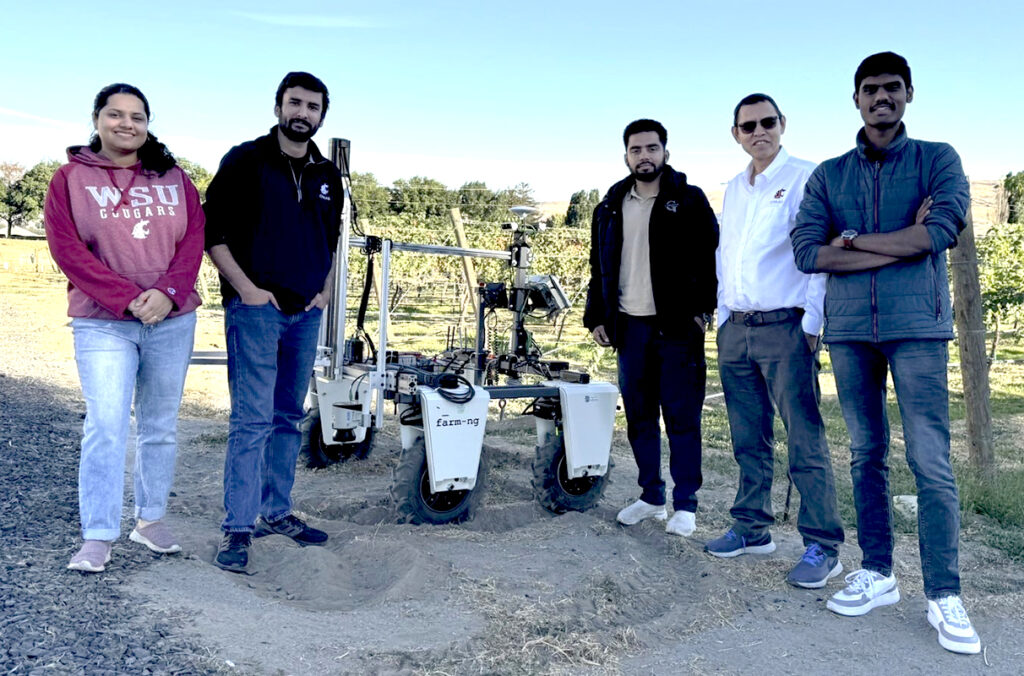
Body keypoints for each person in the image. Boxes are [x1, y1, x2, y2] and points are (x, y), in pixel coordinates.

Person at [791, 52, 980, 654]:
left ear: (908, 95)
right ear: (855, 99)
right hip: (849, 333)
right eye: (870, 89)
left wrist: (851, 241)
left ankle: (944, 593)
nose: (881, 98)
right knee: (865, 454)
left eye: (892, 89)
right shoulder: (829, 174)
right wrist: (901, 246)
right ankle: (877, 571)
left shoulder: (937, 159)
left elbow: (939, 231)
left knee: (930, 461)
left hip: (918, 330)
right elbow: (805, 251)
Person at [44, 83, 204, 573]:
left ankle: (150, 519)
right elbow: (67, 250)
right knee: (107, 426)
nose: (126, 124)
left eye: (137, 116)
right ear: (97, 120)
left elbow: (192, 242)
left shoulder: (176, 179)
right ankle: (98, 533)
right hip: (103, 323)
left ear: (147, 124)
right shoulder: (69, 179)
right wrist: (128, 298)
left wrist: (168, 294)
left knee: (159, 427)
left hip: (170, 320)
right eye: (115, 115)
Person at [706, 94, 845, 589]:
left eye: (768, 122)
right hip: (737, 328)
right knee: (748, 434)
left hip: (786, 328)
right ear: (736, 134)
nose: (758, 131)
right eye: (748, 126)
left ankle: (822, 545)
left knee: (804, 437)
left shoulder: (806, 177)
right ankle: (751, 527)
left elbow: (818, 251)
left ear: (783, 125)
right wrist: (723, 317)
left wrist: (812, 324)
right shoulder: (731, 189)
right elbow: (728, 256)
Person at [205, 72, 342, 573]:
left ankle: (276, 511)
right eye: (295, 103)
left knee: (288, 416)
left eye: (312, 106)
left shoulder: (328, 176)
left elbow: (329, 240)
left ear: (322, 114)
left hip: (304, 314)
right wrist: (246, 289)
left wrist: (324, 291)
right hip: (257, 311)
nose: (302, 113)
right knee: (252, 421)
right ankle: (238, 528)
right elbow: (212, 230)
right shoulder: (245, 160)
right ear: (278, 105)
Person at [584, 119, 719, 536]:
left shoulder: (689, 200)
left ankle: (686, 505)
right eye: (636, 149)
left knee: (681, 417)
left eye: (652, 148)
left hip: (677, 329)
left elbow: (712, 256)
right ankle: (651, 497)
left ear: (666, 152)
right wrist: (597, 316)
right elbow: (597, 266)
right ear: (626, 156)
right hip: (630, 329)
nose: (644, 156)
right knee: (640, 418)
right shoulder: (609, 206)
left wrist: (704, 309)